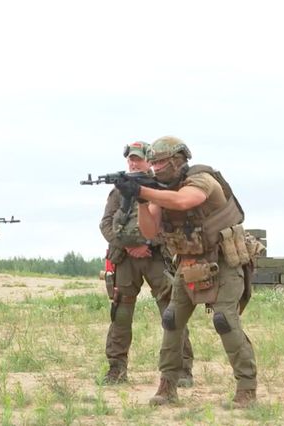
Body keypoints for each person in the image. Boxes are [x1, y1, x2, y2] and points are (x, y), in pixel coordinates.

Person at [116, 136, 258, 408]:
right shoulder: (159, 190)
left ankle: (247, 390)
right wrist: (141, 201)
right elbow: (148, 231)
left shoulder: (202, 179)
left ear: (178, 160)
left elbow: (184, 202)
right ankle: (167, 386)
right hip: (189, 263)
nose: (156, 168)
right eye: (153, 163)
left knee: (224, 320)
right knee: (171, 320)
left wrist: (144, 192)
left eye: (161, 162)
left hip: (224, 260)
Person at [99, 142, 195, 385]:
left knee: (173, 313)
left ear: (149, 161)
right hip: (125, 260)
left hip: (155, 258)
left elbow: (171, 222)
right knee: (120, 315)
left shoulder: (162, 187)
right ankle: (116, 369)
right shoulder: (118, 191)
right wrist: (127, 245)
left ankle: (182, 369)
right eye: (130, 159)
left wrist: (148, 244)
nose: (133, 163)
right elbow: (106, 224)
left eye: (138, 159)